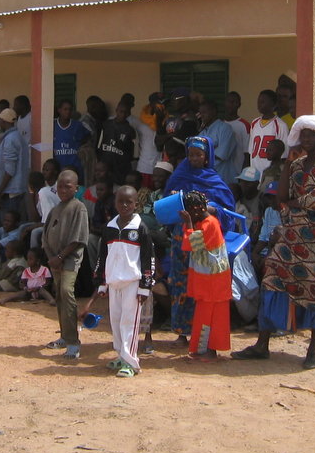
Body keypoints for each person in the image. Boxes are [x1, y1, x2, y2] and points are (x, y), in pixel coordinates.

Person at [233, 115, 315, 369]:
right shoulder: (296, 165)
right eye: (303, 134)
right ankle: (262, 344)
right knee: (272, 278)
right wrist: (288, 163)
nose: (306, 138)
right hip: (293, 234)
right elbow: (281, 198)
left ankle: (313, 350)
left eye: (311, 134)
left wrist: (293, 204)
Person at [163, 135, 235, 348]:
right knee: (181, 283)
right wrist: (175, 199)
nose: (194, 158)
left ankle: (200, 333)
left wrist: (207, 209)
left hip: (205, 239)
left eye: (198, 155)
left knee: (201, 286)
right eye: (191, 154)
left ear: (207, 157)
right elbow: (167, 203)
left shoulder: (214, 180)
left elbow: (226, 210)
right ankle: (181, 332)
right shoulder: (179, 175)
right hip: (181, 238)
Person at [92, 186, 155, 377]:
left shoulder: (140, 228)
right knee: (116, 321)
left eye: (129, 202)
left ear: (136, 204)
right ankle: (121, 355)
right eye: (121, 201)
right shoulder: (109, 228)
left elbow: (148, 258)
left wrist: (145, 286)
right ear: (115, 203)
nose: (125, 205)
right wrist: (102, 282)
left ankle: (131, 362)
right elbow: (103, 257)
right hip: (114, 282)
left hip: (132, 283)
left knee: (129, 322)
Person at [41, 169, 91, 359]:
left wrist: (61, 257)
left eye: (67, 187)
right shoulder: (56, 209)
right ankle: (64, 335)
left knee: (66, 292)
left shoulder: (78, 208)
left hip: (69, 259)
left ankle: (73, 342)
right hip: (55, 261)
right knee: (60, 296)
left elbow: (78, 238)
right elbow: (45, 236)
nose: (63, 190)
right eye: (60, 186)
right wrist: (52, 257)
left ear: (76, 188)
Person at [179, 190, 231, 361]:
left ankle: (211, 349)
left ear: (196, 210)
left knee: (213, 316)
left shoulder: (210, 223)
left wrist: (188, 223)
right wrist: (189, 223)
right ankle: (202, 348)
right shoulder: (204, 221)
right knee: (204, 313)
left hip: (215, 280)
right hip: (208, 278)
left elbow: (192, 244)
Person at [0, 107, 29, 218]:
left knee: (7, 224)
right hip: (15, 190)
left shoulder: (10, 140)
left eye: (0, 120)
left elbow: (9, 170)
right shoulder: (17, 137)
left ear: (4, 121)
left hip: (9, 193)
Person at [248, 90, 289, 176]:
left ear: (273, 105)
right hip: (254, 173)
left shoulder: (280, 125)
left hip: (270, 173)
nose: (259, 104)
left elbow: (284, 154)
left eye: (263, 102)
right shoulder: (254, 123)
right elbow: (251, 150)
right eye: (258, 101)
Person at [198, 99, 239, 186]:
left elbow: (222, 155)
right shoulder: (202, 133)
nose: (201, 116)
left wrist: (203, 153)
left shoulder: (225, 128)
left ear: (213, 112)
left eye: (204, 112)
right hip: (206, 180)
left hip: (223, 179)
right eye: (200, 113)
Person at [97, 101, 136, 186]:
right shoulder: (106, 125)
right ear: (116, 110)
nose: (123, 114)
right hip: (105, 165)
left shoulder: (130, 130)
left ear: (128, 114)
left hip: (120, 168)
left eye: (126, 112)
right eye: (121, 111)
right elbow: (99, 145)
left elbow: (131, 153)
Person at [53, 99, 89, 176]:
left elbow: (87, 136)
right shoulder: (53, 125)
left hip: (75, 166)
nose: (68, 112)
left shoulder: (77, 125)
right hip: (58, 167)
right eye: (65, 109)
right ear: (59, 110)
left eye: (70, 109)